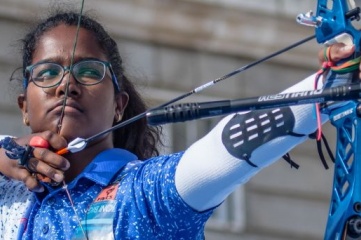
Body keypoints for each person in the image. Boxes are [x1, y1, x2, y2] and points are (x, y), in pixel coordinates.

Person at [0, 8, 358, 240]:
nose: (67, 85)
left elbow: (222, 151)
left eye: (90, 71)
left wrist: (329, 87)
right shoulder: (9, 194)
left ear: (118, 106)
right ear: (24, 107)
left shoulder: (144, 194)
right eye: (47, 73)